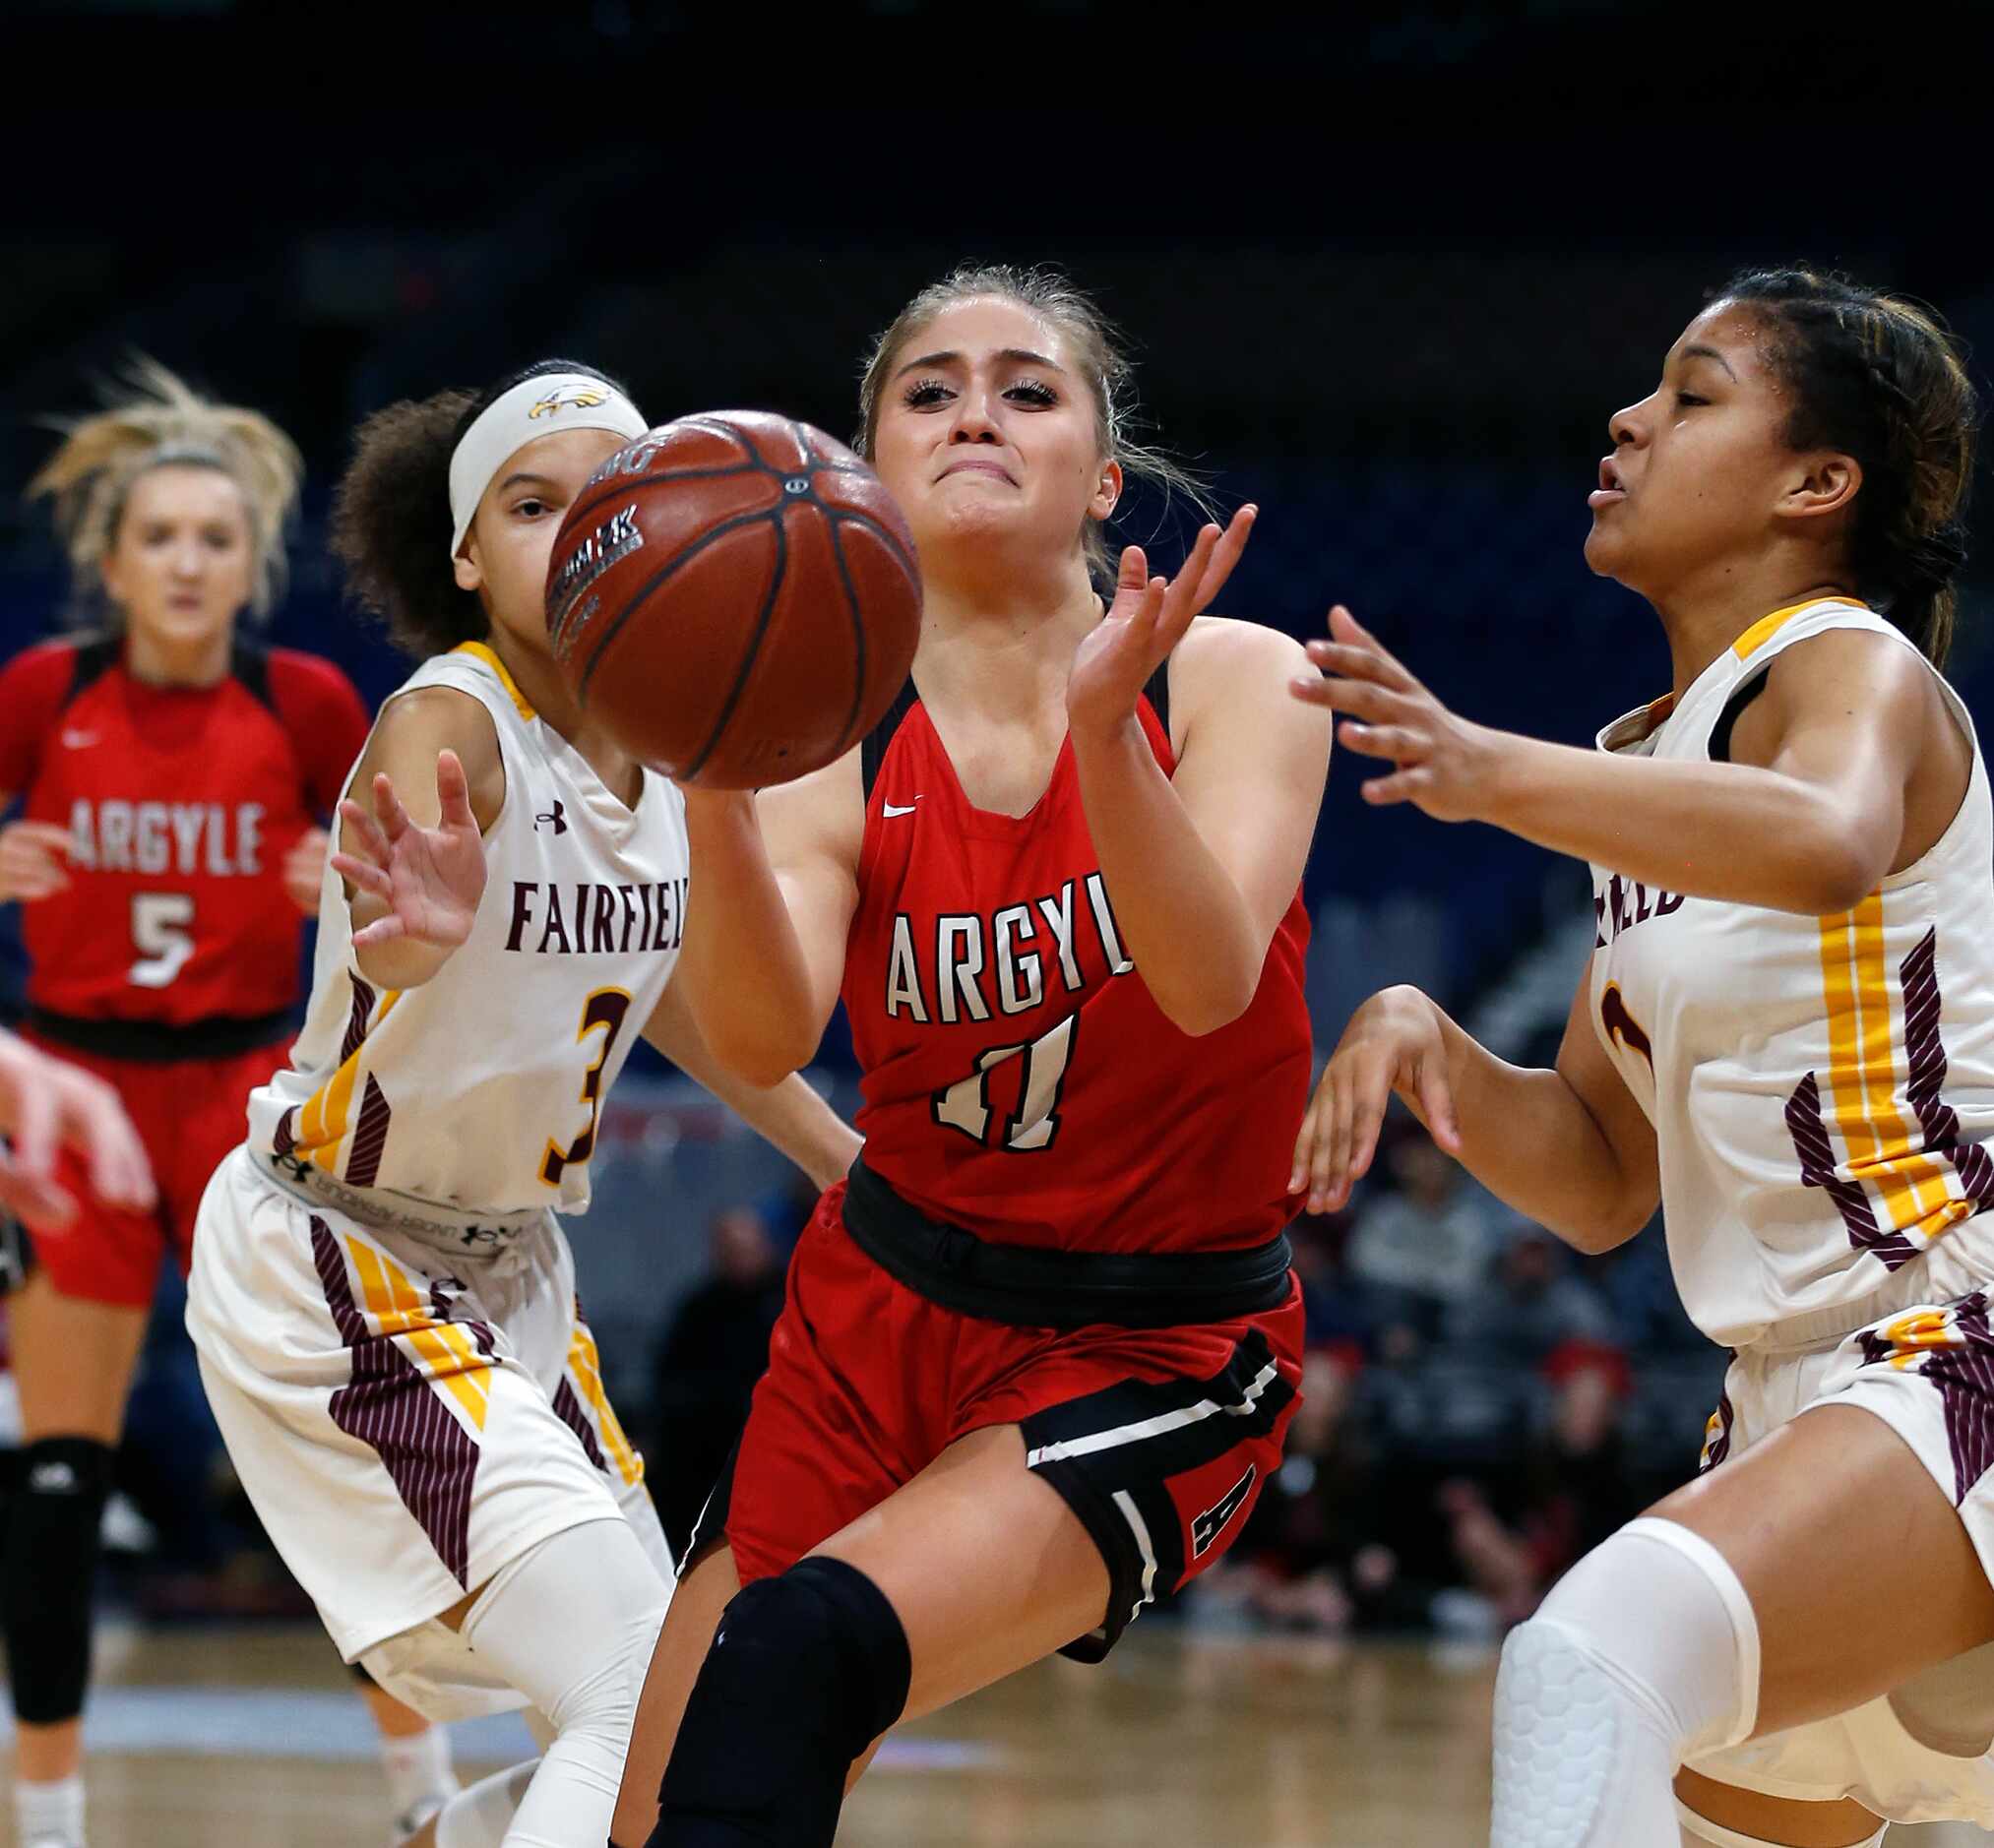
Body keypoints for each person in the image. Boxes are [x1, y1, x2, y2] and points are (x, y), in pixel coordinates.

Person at [610, 265, 1333, 1848]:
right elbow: (754, 1032)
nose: (975, 412)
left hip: (1148, 1342)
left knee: (797, 1653)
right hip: (877, 1305)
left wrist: (1096, 734)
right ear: (865, 472)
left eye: (1026, 387)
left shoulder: (1239, 674)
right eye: (928, 390)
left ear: (1103, 474)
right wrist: (719, 780)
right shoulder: (823, 726)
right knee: (667, 1810)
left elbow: (1207, 982)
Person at [1291, 269, 1994, 1846]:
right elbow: (1605, 1178)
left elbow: (1823, 839)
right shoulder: (1645, 775)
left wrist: (1486, 771)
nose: (1625, 419)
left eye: (1691, 392)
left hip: (1954, 1346)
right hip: (1787, 1413)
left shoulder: (1841, 662)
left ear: (1818, 484)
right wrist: (1426, 1043)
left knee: (1586, 1664)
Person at [182, 358, 861, 1848]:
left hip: (503, 1284)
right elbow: (402, 925)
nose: (569, 533)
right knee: (632, 1676)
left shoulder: (671, 752)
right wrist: (418, 934)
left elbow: (676, 988)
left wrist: (840, 1161)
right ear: (467, 553)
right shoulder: (458, 719)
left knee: (683, 1690)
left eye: (600, 504)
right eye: (528, 504)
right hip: (343, 1257)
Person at [0, 362, 461, 1848]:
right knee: (60, 1475)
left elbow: (410, 910)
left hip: (244, 1092)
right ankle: (50, 1811)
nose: (188, 560)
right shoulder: (43, 695)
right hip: (74, 1090)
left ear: (249, 562)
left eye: (215, 536)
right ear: (113, 562)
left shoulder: (308, 704)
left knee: (329, 1456)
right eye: (162, 537)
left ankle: (425, 1795)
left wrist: (341, 887)